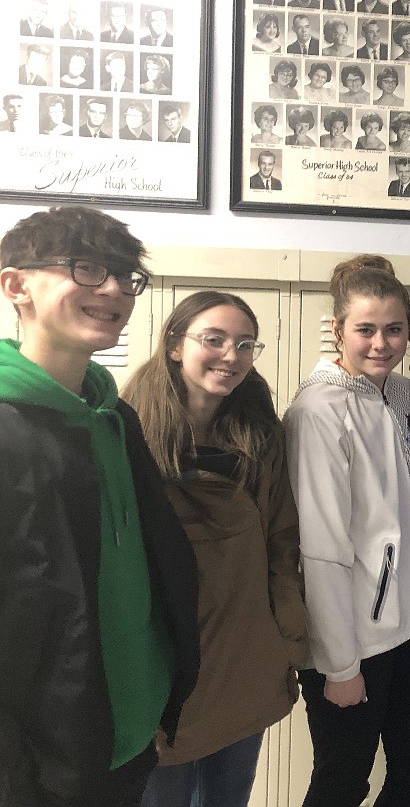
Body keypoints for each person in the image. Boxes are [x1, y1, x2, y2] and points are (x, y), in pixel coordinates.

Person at [0, 206, 199, 807]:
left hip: (129, 733)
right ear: (16, 285)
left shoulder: (116, 418)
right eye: (86, 269)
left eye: (124, 276)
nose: (112, 289)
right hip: (40, 762)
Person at [125, 293, 305, 807]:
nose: (231, 355)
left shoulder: (260, 436)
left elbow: (281, 545)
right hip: (164, 657)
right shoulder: (128, 430)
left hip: (244, 651)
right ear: (176, 345)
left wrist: (287, 641)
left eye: (245, 345)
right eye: (215, 339)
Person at [284, 255, 410, 807]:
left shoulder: (400, 396)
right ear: (338, 330)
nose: (381, 343)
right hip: (353, 638)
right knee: (341, 781)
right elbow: (321, 548)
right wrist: (340, 664)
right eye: (366, 329)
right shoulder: (318, 412)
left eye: (394, 329)